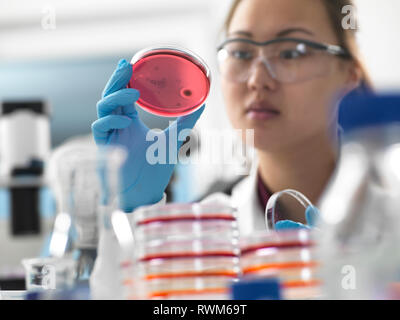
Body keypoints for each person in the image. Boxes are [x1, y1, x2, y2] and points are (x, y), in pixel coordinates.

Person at [90, 0, 372, 298]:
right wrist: (130, 211)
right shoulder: (202, 229)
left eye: (291, 52)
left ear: (349, 75)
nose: (257, 80)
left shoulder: (391, 211)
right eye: (241, 53)